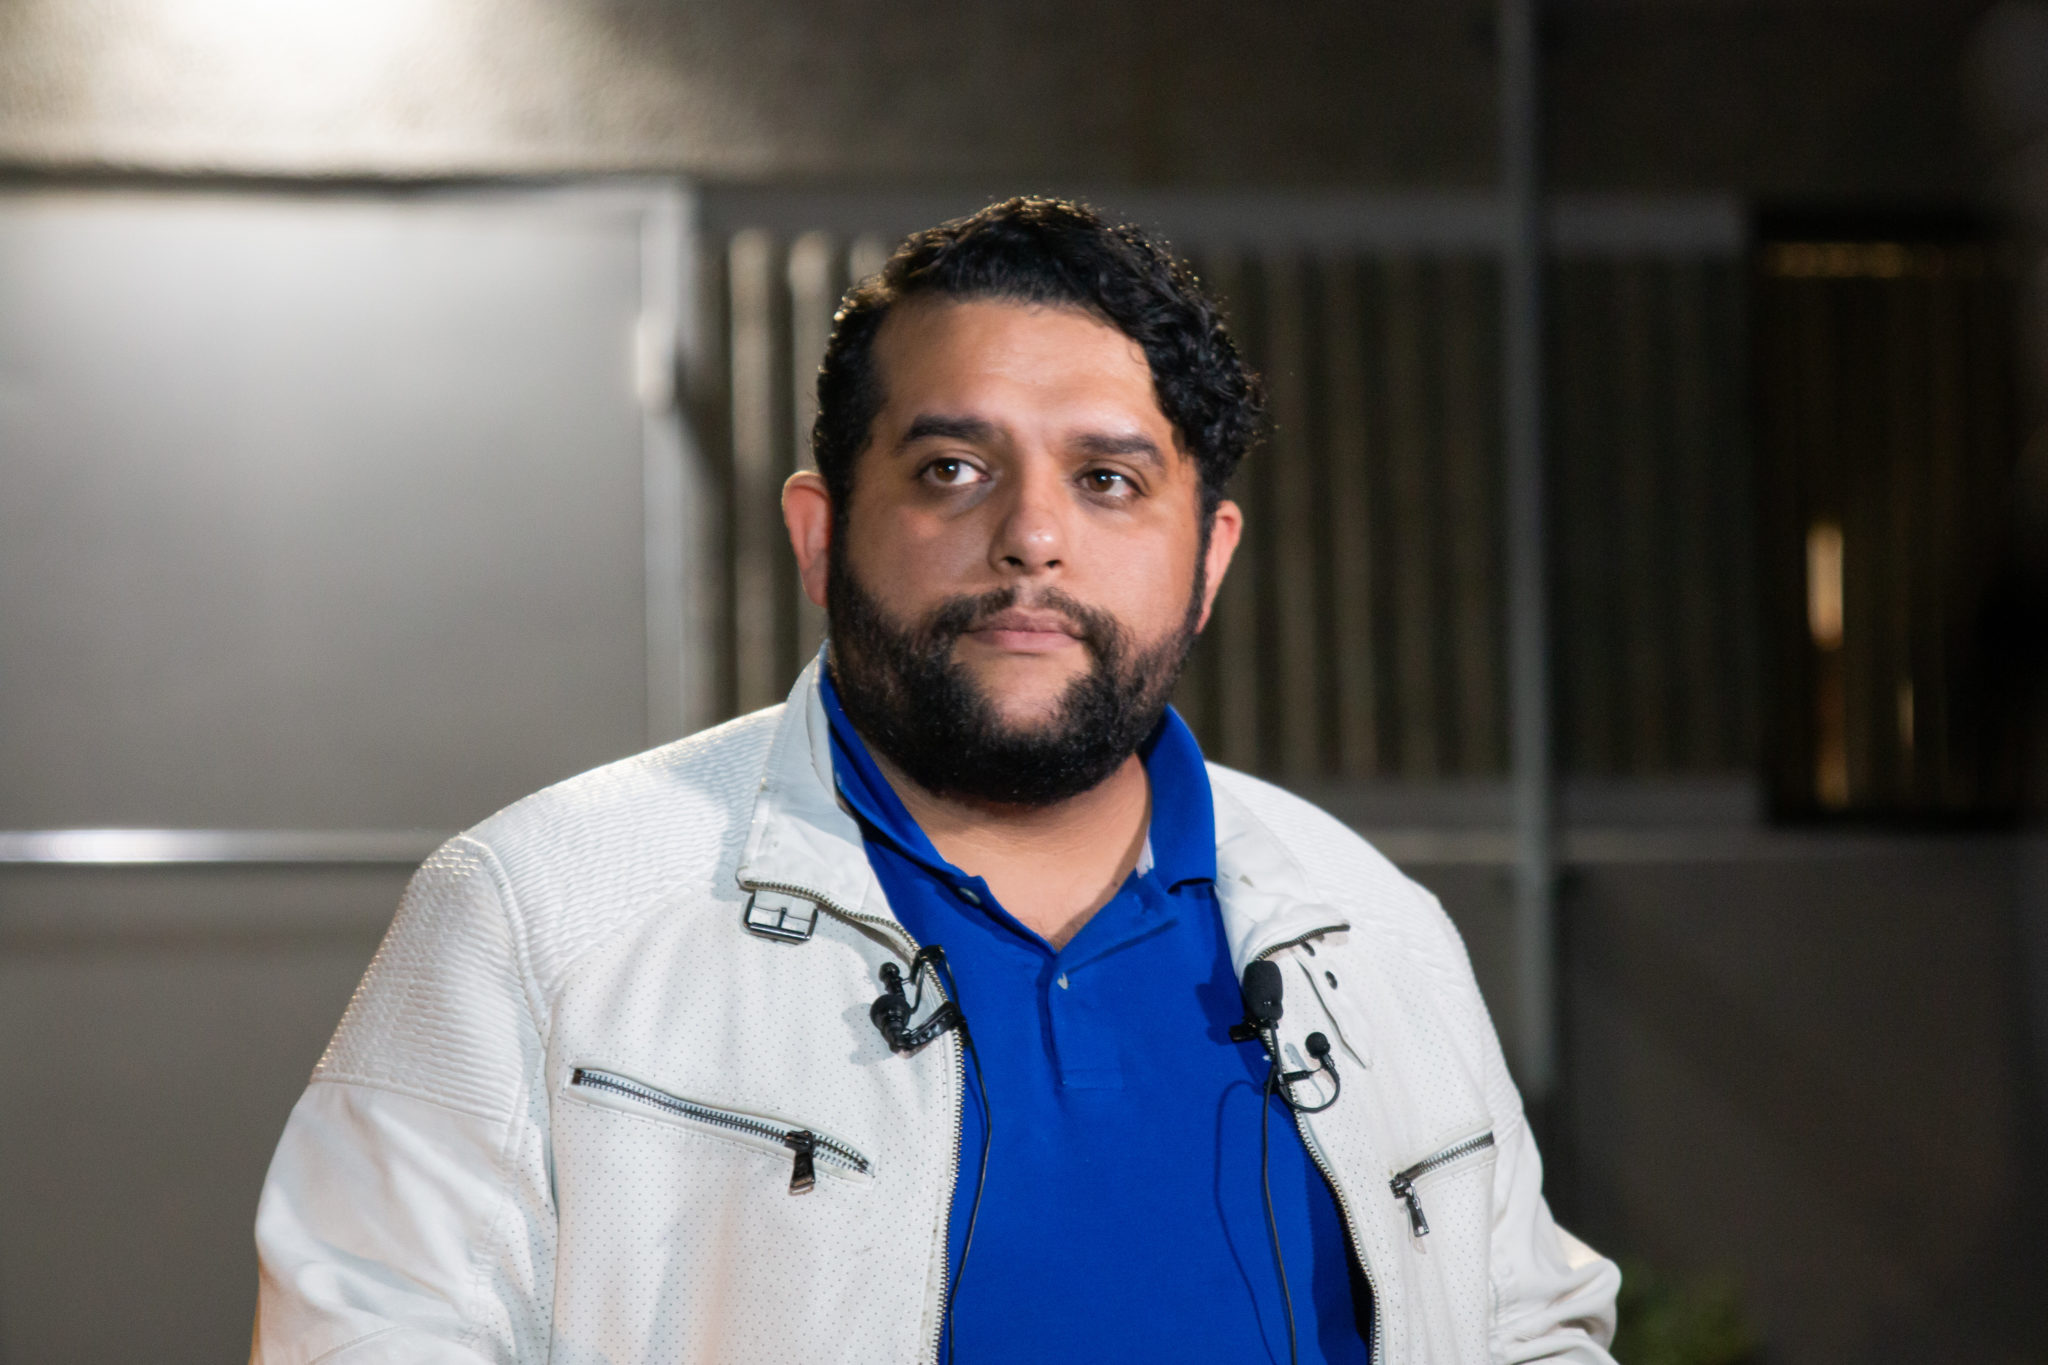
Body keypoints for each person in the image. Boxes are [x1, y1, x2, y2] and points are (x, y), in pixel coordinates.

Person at [251, 197, 1620, 1364]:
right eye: (953, 468)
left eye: (1109, 479)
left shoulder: (1368, 925)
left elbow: (1527, 1331)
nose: (1031, 536)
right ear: (821, 534)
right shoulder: (539, 914)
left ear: (1208, 560)